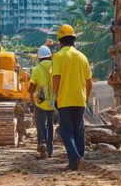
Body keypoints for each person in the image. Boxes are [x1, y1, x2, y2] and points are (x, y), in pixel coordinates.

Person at [51, 24, 92, 171]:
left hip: (65, 100)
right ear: (74, 40)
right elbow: (89, 82)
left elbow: (56, 78)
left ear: (60, 41)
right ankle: (80, 158)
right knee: (79, 130)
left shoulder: (59, 56)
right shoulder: (83, 57)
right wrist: (86, 98)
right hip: (80, 100)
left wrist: (54, 96)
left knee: (66, 131)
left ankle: (74, 159)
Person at [28, 45, 55, 159]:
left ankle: (42, 143)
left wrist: (30, 93)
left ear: (39, 58)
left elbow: (32, 87)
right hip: (53, 102)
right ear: (50, 57)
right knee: (50, 125)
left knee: (40, 124)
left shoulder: (36, 69)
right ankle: (50, 150)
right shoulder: (55, 67)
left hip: (40, 102)